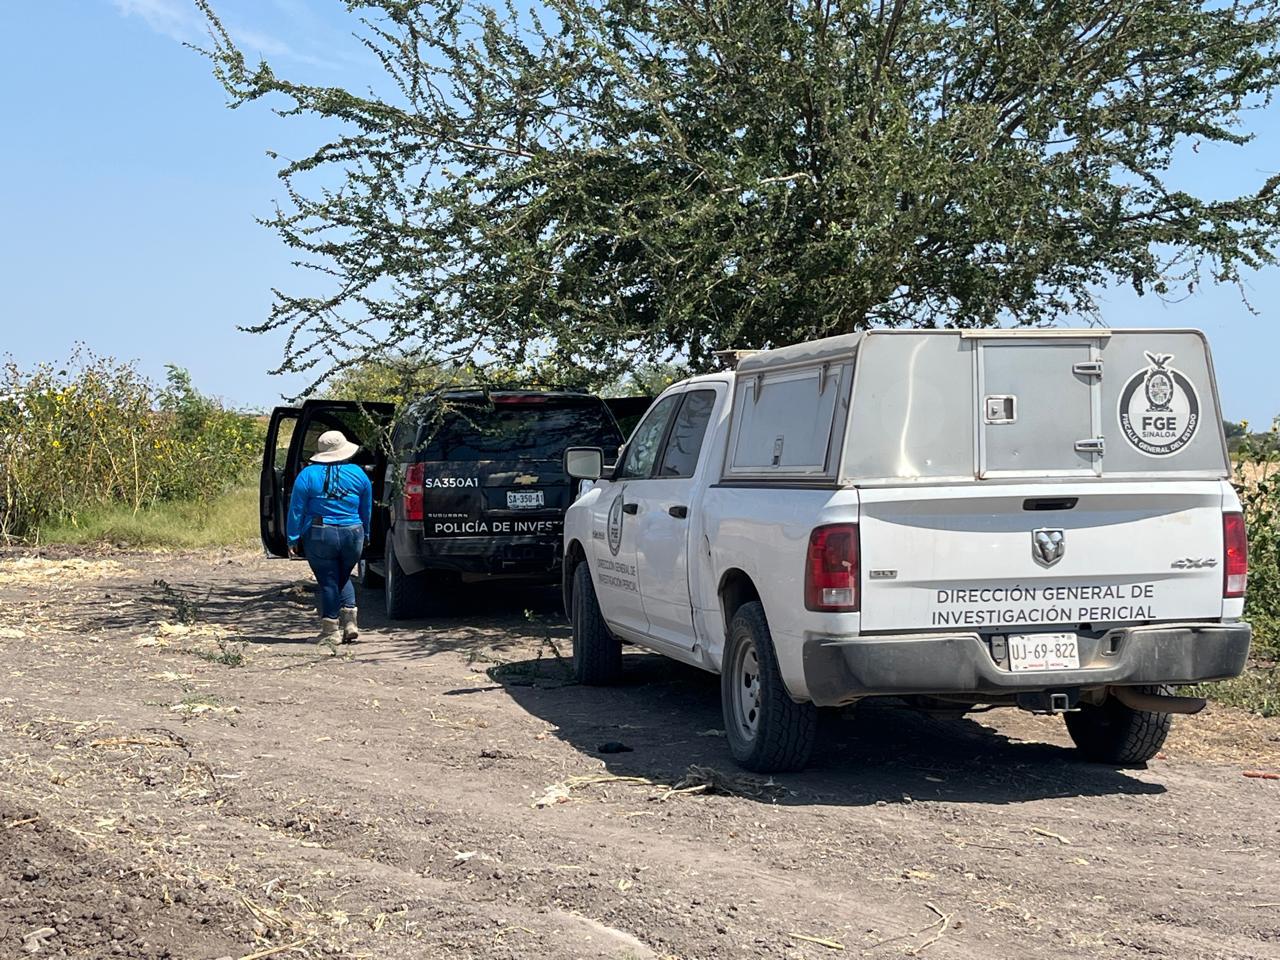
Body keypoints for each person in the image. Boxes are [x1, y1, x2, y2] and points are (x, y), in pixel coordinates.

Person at [286, 430, 373, 645]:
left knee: (328, 580)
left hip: (320, 533)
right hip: (354, 531)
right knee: (343, 576)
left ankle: (330, 630)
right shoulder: (359, 473)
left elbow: (296, 509)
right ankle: (351, 623)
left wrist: (292, 538)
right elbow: (366, 509)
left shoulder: (307, 474)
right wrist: (367, 533)